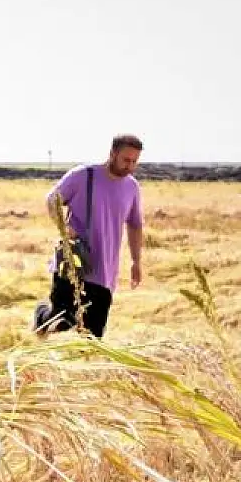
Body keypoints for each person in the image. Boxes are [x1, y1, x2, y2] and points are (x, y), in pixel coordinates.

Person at [32, 134, 145, 338]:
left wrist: (136, 261)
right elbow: (52, 200)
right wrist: (64, 228)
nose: (130, 166)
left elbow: (135, 225)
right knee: (61, 322)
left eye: (134, 161)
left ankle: (80, 369)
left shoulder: (132, 187)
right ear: (112, 154)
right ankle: (41, 315)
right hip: (73, 262)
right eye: (126, 160)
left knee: (92, 337)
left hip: (105, 272)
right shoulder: (83, 175)